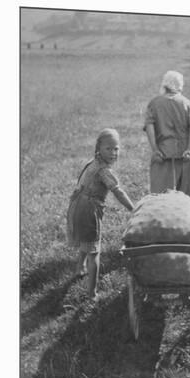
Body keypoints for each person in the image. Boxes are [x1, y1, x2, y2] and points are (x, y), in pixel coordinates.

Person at [67, 128, 134, 300]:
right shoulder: (104, 171)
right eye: (108, 149)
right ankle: (92, 294)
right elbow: (118, 191)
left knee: (86, 241)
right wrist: (133, 209)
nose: (113, 153)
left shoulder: (93, 162)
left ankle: (79, 269)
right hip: (88, 210)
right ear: (99, 148)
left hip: (78, 205)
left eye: (116, 149)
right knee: (94, 252)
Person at [143, 70, 190, 200]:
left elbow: (149, 127)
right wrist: (189, 150)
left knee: (160, 197)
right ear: (180, 86)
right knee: (185, 198)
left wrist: (155, 150)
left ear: (164, 85)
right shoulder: (187, 103)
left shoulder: (154, 103)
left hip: (162, 155)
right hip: (184, 156)